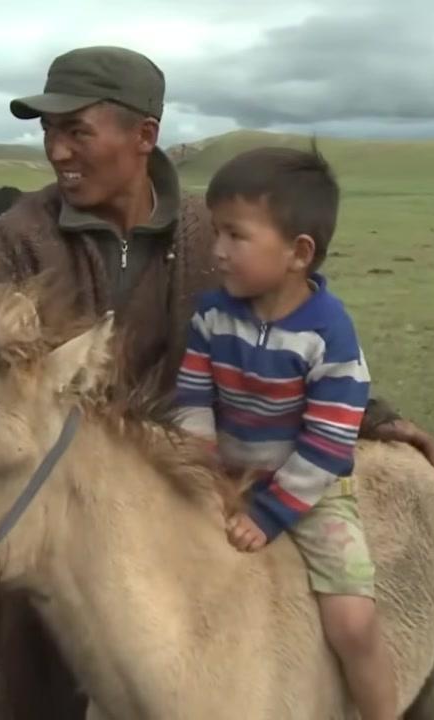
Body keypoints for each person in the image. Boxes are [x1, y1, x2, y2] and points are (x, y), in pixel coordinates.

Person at [0, 44, 434, 720]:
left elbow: (288, 334)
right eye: (48, 130)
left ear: (144, 136)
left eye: (77, 129)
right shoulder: (23, 237)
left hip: (175, 521)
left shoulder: (213, 234)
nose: (56, 150)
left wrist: (376, 414)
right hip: (49, 520)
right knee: (23, 695)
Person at [174, 145, 395, 719]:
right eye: (215, 232)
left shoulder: (331, 337)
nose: (216, 251)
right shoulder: (211, 315)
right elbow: (194, 398)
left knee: (353, 621)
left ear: (299, 253)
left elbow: (327, 445)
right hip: (225, 477)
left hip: (313, 493)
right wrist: (202, 470)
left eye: (235, 235)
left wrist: (270, 514)